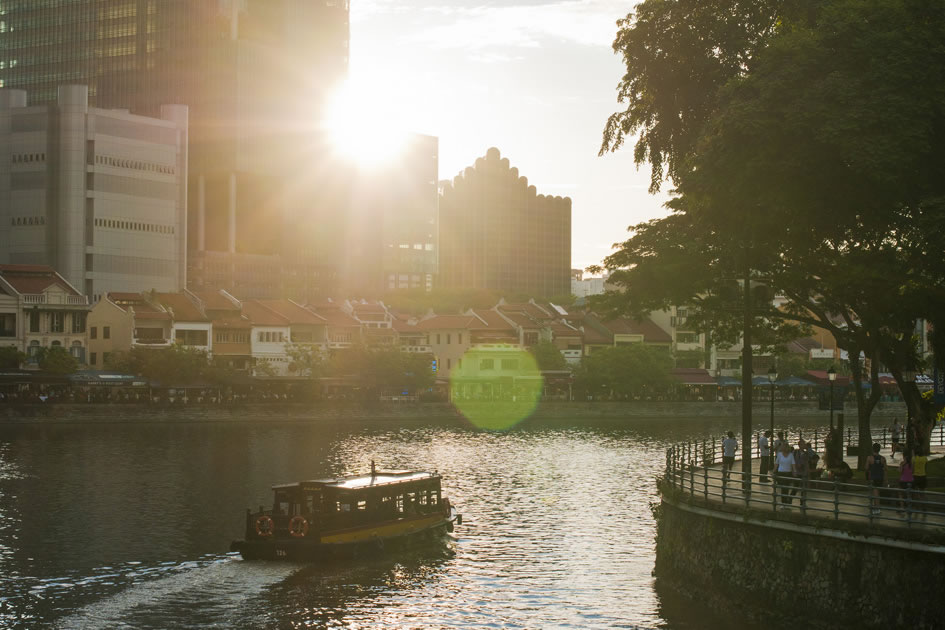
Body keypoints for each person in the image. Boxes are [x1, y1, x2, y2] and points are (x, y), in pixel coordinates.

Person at [866, 442, 887, 515]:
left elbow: (866, 468)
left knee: (875, 494)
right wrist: (885, 479)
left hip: (873, 477)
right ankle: (876, 507)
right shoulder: (883, 458)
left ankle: (877, 508)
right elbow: (885, 469)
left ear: (873, 449)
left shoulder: (869, 458)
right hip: (880, 477)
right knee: (877, 493)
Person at [774, 441, 797, 508]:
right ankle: (783, 503)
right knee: (783, 488)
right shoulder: (779, 454)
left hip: (788, 473)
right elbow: (776, 463)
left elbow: (793, 464)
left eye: (785, 446)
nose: (784, 447)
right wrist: (774, 471)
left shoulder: (791, 455)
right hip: (781, 473)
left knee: (786, 488)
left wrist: (794, 472)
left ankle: (786, 503)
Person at [792, 440, 810, 506]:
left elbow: (807, 463)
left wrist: (808, 472)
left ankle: (802, 502)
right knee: (795, 488)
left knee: (804, 489)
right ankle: (789, 500)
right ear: (799, 445)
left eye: (804, 444)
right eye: (802, 444)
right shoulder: (795, 452)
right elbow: (792, 462)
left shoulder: (806, 453)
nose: (804, 445)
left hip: (804, 473)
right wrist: (794, 471)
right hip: (797, 472)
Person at [912, 447, 928, 518]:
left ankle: (917, 506)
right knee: (923, 493)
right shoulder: (925, 458)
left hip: (916, 476)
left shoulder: (914, 459)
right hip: (923, 476)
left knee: (915, 493)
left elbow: (912, 468)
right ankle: (924, 507)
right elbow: (925, 467)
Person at [897, 450, 914, 514]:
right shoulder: (911, 463)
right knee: (908, 495)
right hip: (911, 480)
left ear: (904, 456)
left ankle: (902, 507)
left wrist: (899, 468)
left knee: (900, 494)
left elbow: (900, 471)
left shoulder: (902, 463)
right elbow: (912, 471)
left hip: (903, 480)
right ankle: (909, 508)